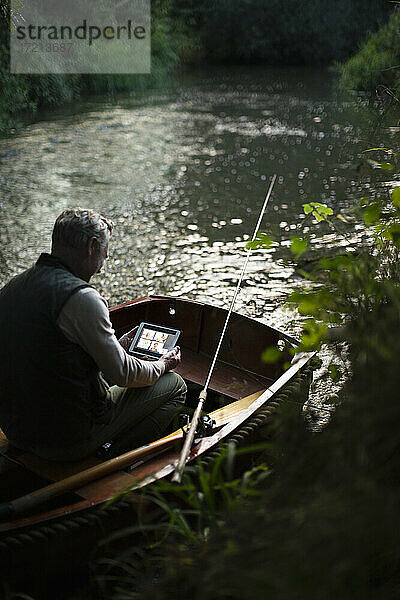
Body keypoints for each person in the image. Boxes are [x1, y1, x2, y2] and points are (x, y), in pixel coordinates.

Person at [0, 208, 186, 461]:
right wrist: (163, 364)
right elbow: (124, 374)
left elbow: (51, 352)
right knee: (174, 385)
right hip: (64, 441)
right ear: (92, 246)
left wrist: (117, 346)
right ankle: (109, 456)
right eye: (104, 256)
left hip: (16, 430)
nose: (101, 268)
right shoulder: (82, 298)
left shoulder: (13, 287)